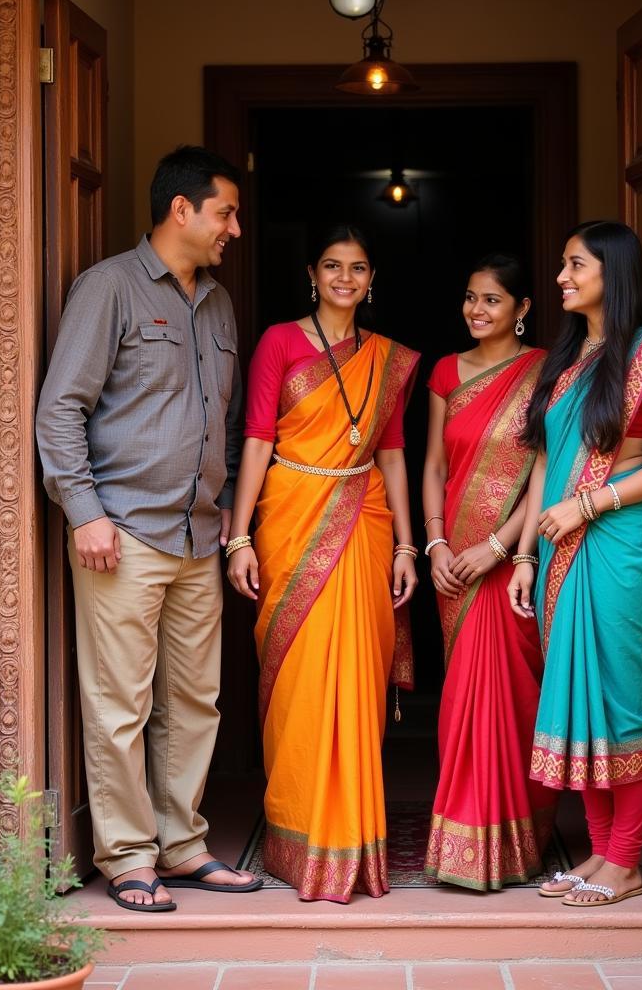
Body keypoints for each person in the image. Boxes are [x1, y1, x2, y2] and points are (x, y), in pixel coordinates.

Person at [36, 145, 262, 913]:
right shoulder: (109, 290)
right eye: (225, 211)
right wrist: (86, 513)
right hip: (123, 534)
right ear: (182, 210)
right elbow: (61, 407)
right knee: (120, 704)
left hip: (198, 536)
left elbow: (224, 420)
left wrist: (227, 495)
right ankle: (129, 857)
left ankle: (184, 845)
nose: (235, 227)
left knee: (195, 703)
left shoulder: (221, 304)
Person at [226, 224, 420, 903]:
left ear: (372, 280)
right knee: (299, 675)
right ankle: (297, 831)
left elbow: (392, 450)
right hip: (290, 512)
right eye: (333, 266)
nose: (345, 278)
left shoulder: (385, 358)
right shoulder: (279, 341)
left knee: (357, 680)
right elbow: (256, 438)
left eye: (358, 268)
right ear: (312, 273)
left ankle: (352, 842)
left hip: (365, 519)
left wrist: (405, 543)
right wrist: (239, 537)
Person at [508, 220, 642, 907]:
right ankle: (598, 853)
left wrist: (591, 505)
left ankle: (626, 861)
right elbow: (547, 464)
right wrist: (525, 553)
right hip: (557, 549)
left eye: (575, 264)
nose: (561, 276)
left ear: (611, 274)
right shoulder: (569, 360)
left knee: (620, 696)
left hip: (619, 545)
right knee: (580, 698)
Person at [422, 255, 556, 891]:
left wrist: (501, 549)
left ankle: (516, 843)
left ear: (522, 309)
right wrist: (437, 543)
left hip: (512, 559)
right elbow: (432, 467)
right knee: (460, 702)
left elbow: (545, 473)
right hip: (453, 559)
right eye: (471, 298)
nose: (477, 311)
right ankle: (462, 847)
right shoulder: (447, 371)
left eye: (493, 301)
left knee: (510, 696)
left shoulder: (547, 371)